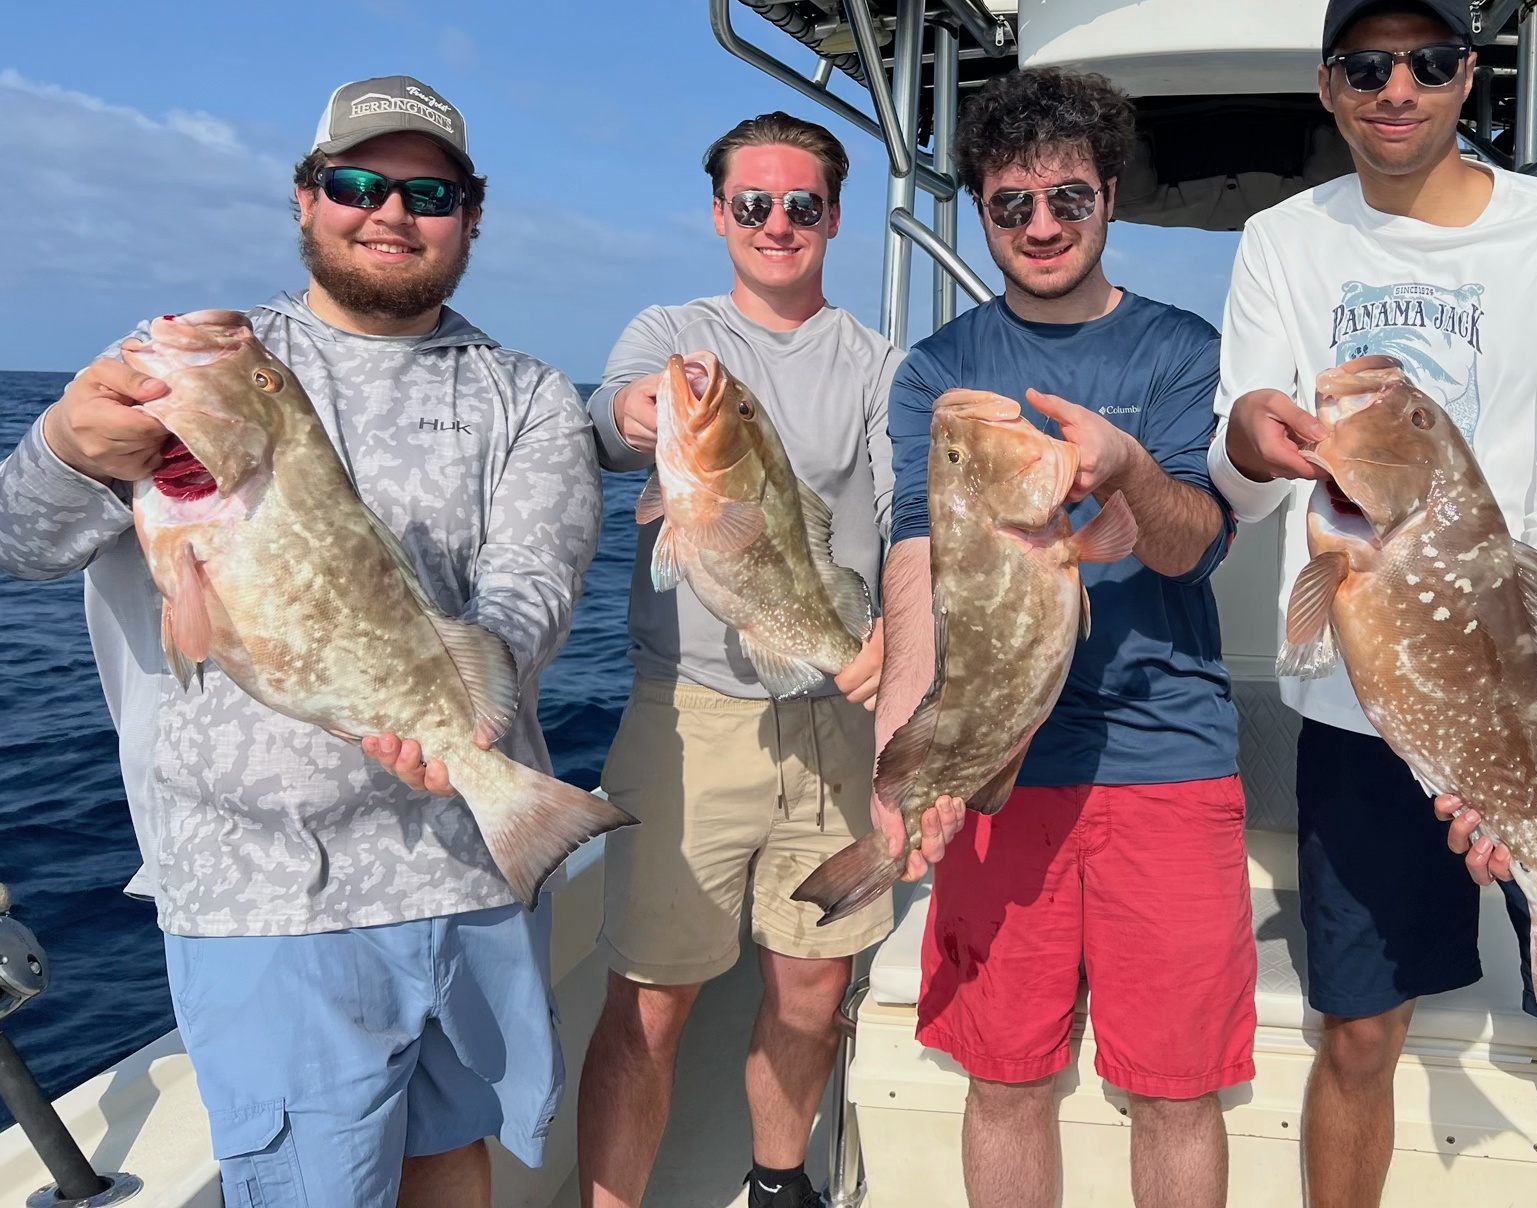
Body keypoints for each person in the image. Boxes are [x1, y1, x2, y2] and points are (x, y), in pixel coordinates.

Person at [0, 75, 601, 1208]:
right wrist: (70, 448)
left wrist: (473, 712)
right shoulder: (202, 369)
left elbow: (533, 584)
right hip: (266, 890)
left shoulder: (523, 392)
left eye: (428, 191)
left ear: (473, 214)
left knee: (452, 1156)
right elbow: (19, 543)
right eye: (357, 183)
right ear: (304, 197)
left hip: (469, 864)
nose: (389, 211)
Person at [1212, 0, 1537, 1208]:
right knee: (1360, 1035)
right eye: (1369, 66)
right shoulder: (1282, 240)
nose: (1399, 88)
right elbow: (1248, 449)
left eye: (1429, 61)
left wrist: (1508, 715)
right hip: (1357, 703)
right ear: (1330, 88)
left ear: (1467, 76)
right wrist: (1251, 436)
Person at [875, 68, 1254, 1208]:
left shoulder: (1179, 351)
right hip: (1002, 765)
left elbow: (1196, 542)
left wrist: (1131, 467)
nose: (1041, 227)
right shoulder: (940, 373)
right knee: (1003, 1075)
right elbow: (912, 555)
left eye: (1068, 200)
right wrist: (903, 738)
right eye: (1011, 205)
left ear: (1108, 199)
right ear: (984, 209)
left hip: (1168, 757)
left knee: (1178, 1089)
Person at [575, 112, 893, 1208]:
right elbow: (615, 417)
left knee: (810, 986)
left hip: (835, 716)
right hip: (692, 716)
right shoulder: (676, 333)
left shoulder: (877, 365)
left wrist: (892, 639)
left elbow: (903, 523)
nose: (777, 224)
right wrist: (641, 407)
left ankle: (775, 1182)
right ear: (718, 215)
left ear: (834, 219)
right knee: (653, 999)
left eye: (801, 205)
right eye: (752, 204)